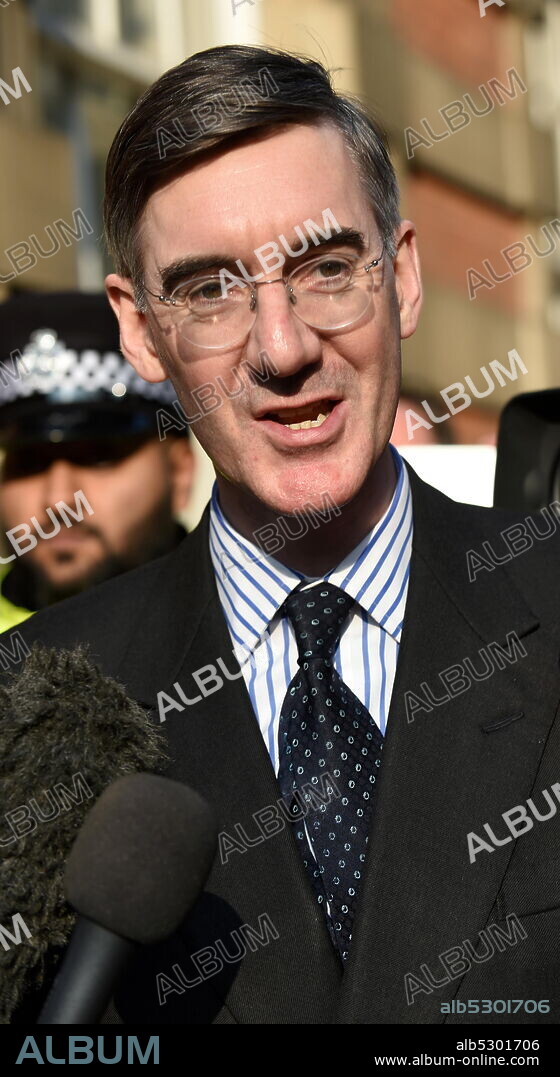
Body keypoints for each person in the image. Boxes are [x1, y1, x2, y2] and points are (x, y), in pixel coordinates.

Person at [1, 45, 559, 1025]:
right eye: (210, 289)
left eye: (327, 268)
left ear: (403, 275)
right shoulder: (28, 711)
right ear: (139, 333)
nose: (283, 347)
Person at [0, 292, 194, 631]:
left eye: (99, 458)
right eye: (29, 462)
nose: (60, 501)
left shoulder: (252, 618)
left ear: (179, 471)